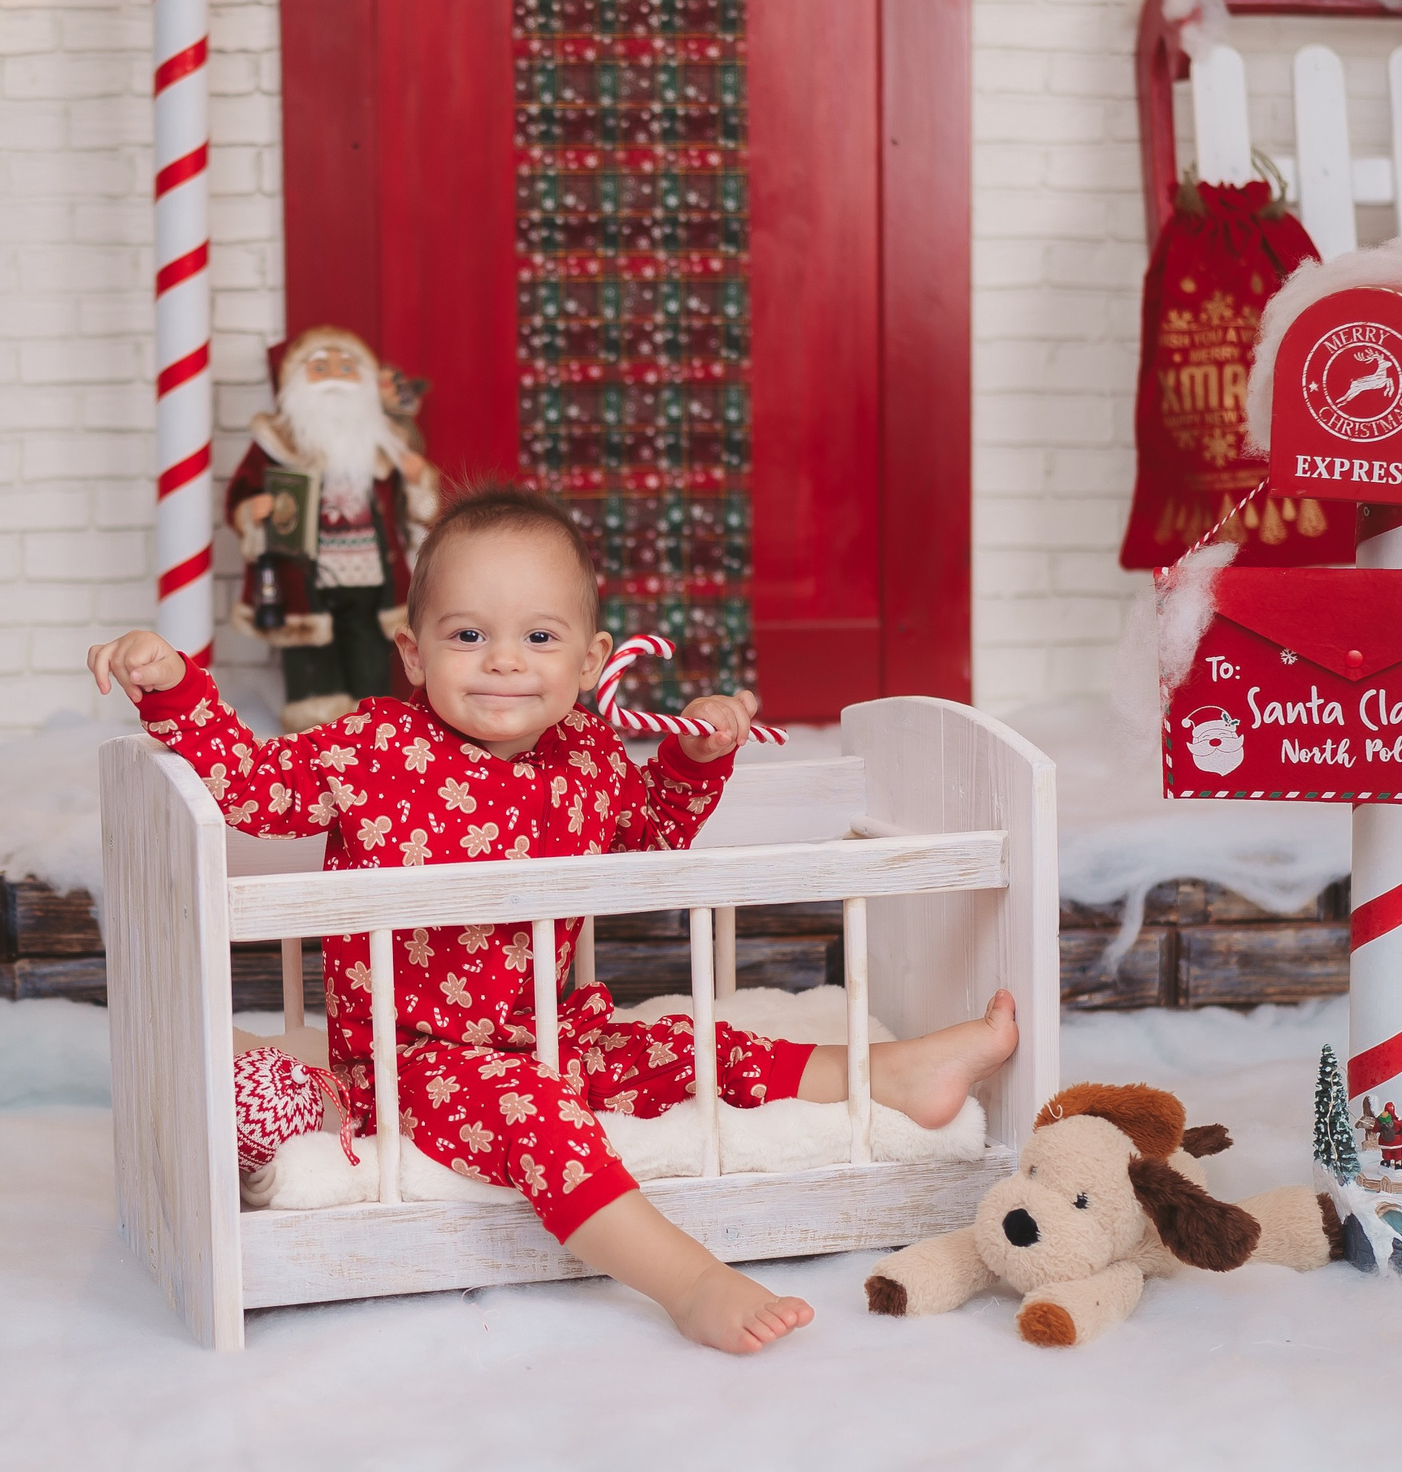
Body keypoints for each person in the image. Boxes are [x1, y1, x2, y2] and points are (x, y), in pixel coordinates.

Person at [90, 486, 1018, 1354]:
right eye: (467, 633)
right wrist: (174, 686)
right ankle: (688, 1279)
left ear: (587, 659)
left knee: (680, 1041)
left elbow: (650, 842)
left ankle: (893, 1073)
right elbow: (252, 790)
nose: (503, 659)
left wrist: (693, 762)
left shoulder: (588, 754)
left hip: (550, 1030)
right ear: (413, 652)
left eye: (538, 635)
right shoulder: (376, 747)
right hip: (414, 1062)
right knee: (537, 1114)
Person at [228, 327, 441, 731]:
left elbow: (418, 512)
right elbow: (241, 494)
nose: (334, 378)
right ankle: (317, 734)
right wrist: (251, 510)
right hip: (305, 575)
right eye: (320, 367)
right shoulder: (276, 444)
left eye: (346, 368)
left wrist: (418, 480)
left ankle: (369, 728)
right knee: (312, 657)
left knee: (369, 652)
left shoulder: (384, 443)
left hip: (371, 575)